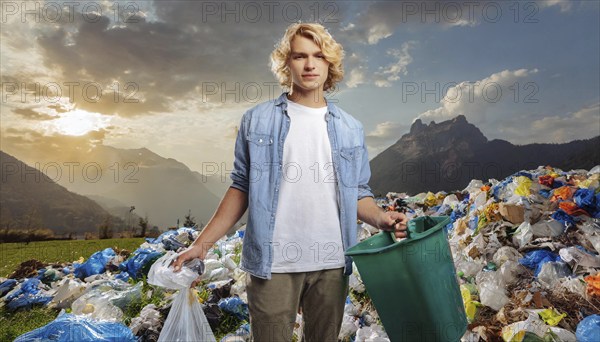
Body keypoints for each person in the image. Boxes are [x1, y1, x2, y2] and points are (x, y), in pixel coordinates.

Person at [172, 22, 408, 341]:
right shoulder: (257, 121)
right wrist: (201, 245)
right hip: (274, 264)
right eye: (299, 56)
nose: (309, 64)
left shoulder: (351, 129)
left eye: (318, 56)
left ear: (330, 63)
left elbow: (357, 194)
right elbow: (241, 188)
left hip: (332, 264)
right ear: (287, 63)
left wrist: (381, 217)